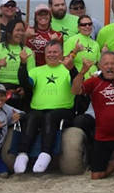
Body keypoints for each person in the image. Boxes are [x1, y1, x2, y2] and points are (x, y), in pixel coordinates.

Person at [13, 41, 77, 173]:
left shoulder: (67, 70)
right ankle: (22, 153)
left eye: (55, 52)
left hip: (63, 110)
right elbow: (25, 83)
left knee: (50, 116)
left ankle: (45, 153)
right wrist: (23, 64)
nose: (52, 55)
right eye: (49, 52)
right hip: (38, 109)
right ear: (45, 54)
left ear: (62, 53)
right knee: (31, 116)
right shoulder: (37, 71)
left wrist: (72, 69)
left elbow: (77, 84)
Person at [76, 52, 114, 179]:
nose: (110, 67)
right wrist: (82, 72)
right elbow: (75, 91)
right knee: (96, 176)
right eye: (106, 64)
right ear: (100, 66)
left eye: (113, 64)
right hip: (102, 135)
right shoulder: (94, 81)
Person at [0, 18, 33, 110]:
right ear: (9, 32)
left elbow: (30, 79)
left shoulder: (28, 51)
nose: (21, 33)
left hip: (18, 88)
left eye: (23, 31)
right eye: (18, 30)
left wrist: (23, 64)